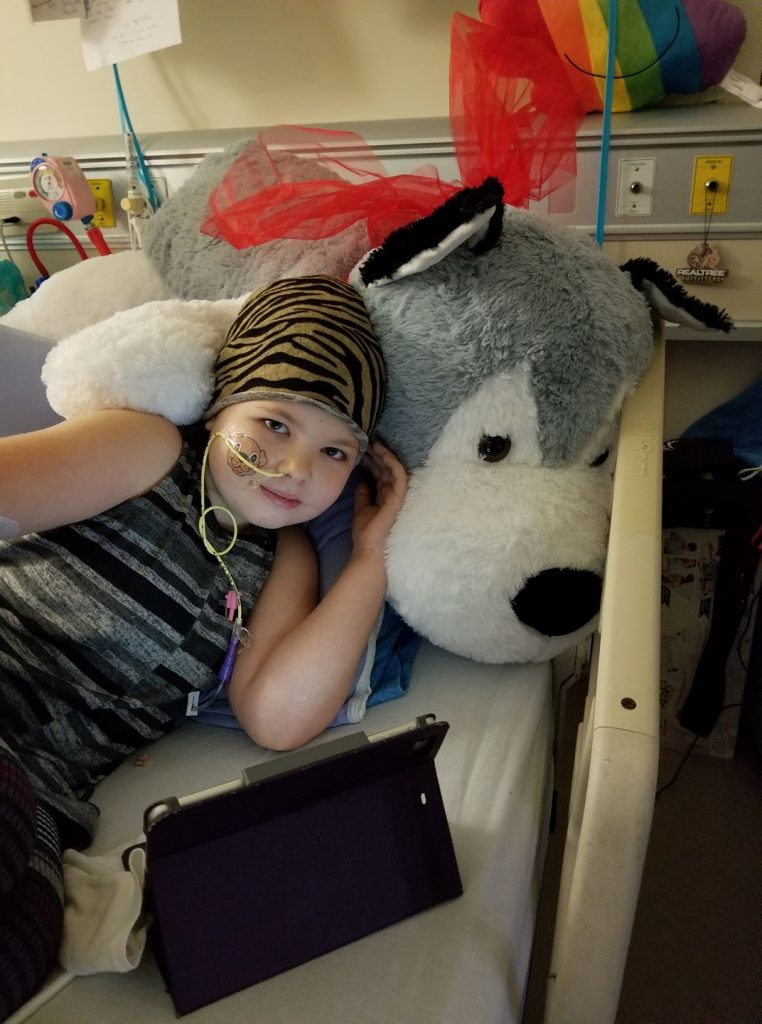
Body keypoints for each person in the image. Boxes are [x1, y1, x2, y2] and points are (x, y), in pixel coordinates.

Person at [0, 275, 407, 1019]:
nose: (296, 467)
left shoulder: (285, 559)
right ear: (221, 409)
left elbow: (278, 717)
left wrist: (371, 556)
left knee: (16, 952)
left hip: (44, 793)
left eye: (334, 451)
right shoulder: (148, 448)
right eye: (274, 423)